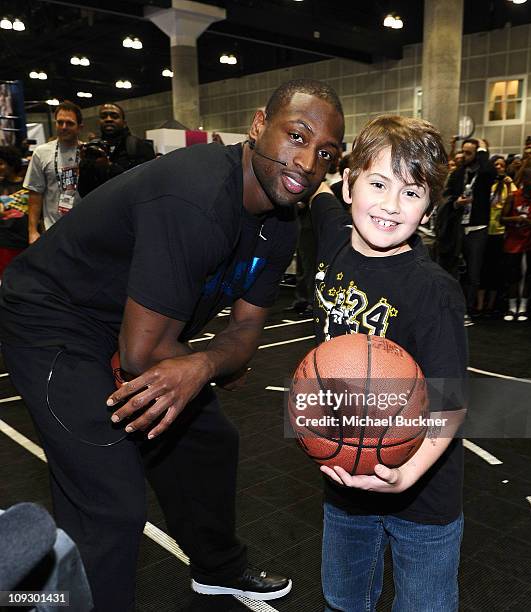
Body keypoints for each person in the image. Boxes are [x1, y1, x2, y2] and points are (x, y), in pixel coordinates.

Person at [0, 79, 345, 612]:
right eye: (297, 136)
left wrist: (203, 363)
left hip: (135, 325)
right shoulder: (198, 195)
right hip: (54, 319)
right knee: (110, 500)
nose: (307, 161)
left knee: (210, 441)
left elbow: (245, 335)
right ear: (258, 126)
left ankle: (218, 570)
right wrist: (210, 363)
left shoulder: (279, 224)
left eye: (325, 153)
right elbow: (144, 357)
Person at [308, 115, 467, 612]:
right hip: (345, 484)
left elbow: (450, 402)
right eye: (378, 183)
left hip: (422, 497)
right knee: (342, 600)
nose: (391, 205)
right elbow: (317, 197)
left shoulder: (433, 291)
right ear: (350, 184)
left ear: (429, 208)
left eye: (413, 192)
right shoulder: (333, 237)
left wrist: (408, 473)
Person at [440, 138, 496, 325]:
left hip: (477, 227)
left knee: (473, 271)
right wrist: (456, 203)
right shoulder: (458, 173)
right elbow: (447, 196)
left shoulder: (484, 174)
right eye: (463, 152)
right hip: (458, 226)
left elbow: (489, 168)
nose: (465, 156)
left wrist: (482, 149)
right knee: (453, 269)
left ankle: (466, 311)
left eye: (470, 153)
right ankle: (452, 308)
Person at [24, 101, 83, 244]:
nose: (63, 127)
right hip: (52, 229)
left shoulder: (88, 153)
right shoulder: (41, 153)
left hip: (83, 228)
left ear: (80, 127)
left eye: (69, 123)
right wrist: (32, 231)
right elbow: (35, 193)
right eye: (60, 122)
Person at [77, 102, 155, 196]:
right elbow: (84, 192)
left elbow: (146, 184)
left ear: (124, 123)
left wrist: (109, 166)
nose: (108, 119)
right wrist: (84, 165)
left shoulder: (140, 146)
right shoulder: (94, 149)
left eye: (114, 116)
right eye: (104, 116)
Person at [477, 155, 516, 317]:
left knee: (495, 271)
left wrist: (509, 183)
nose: (499, 167)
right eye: (496, 164)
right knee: (482, 270)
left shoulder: (509, 186)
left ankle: (490, 306)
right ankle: (479, 305)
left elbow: (514, 199)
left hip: (500, 233)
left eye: (501, 165)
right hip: (485, 230)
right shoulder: (487, 183)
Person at [501, 166, 531, 321]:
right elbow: (501, 219)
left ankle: (523, 308)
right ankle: (511, 307)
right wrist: (515, 219)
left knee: (528, 275)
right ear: (525, 180)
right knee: (512, 275)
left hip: (530, 242)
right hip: (513, 241)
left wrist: (527, 221)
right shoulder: (513, 196)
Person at [0, 146, 28, 278]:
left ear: (11, 164)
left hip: (25, 241)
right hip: (5, 242)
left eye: (1, 163)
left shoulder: (28, 185)